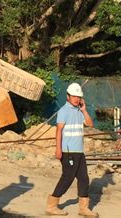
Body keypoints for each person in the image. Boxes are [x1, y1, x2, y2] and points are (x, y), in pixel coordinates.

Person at [46, 83, 98, 217]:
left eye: (78, 97)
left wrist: (84, 110)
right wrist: (58, 149)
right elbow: (59, 131)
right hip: (68, 151)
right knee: (67, 178)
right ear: (68, 96)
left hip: (79, 152)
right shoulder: (64, 111)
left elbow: (90, 124)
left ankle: (83, 208)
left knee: (84, 179)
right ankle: (52, 205)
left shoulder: (79, 111)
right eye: (74, 96)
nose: (76, 99)